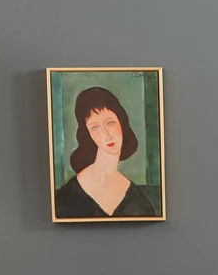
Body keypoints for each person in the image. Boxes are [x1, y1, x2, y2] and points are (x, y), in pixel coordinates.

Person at [54, 87, 158, 219]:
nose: (106, 135)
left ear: (122, 122)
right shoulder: (67, 197)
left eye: (110, 123)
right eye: (95, 127)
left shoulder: (139, 201)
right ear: (88, 134)